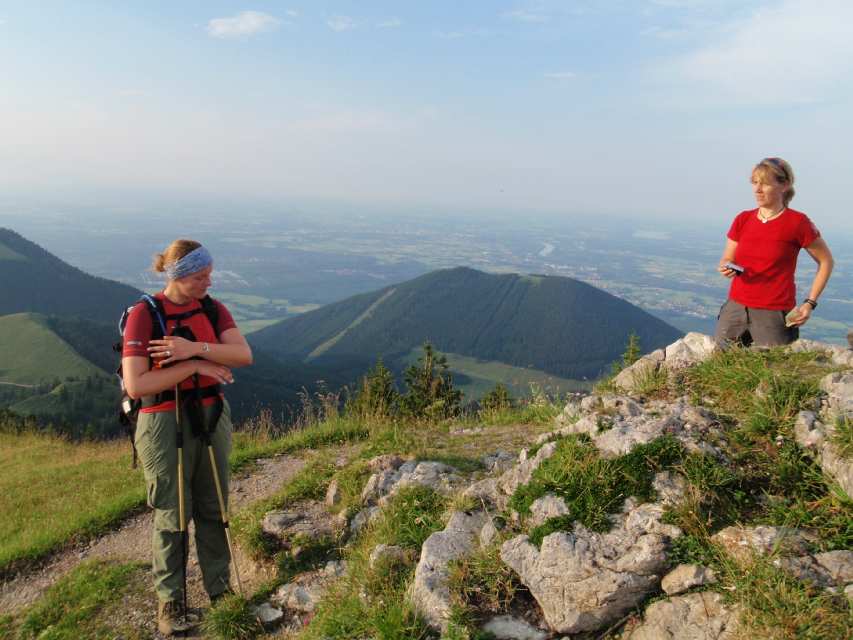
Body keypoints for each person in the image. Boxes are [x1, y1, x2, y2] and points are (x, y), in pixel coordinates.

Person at [122, 239, 252, 635]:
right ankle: (170, 603)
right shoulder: (145, 315)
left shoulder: (212, 309)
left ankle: (220, 592)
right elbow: (137, 383)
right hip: (162, 421)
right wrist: (196, 364)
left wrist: (192, 349)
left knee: (214, 507)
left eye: (209, 274)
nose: (208, 282)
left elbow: (243, 355)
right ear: (177, 275)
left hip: (212, 415)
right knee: (172, 513)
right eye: (200, 276)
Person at [715, 157, 834, 347]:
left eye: (765, 184)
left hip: (774, 314)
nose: (757, 189)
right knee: (721, 368)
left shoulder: (798, 222)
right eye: (754, 183)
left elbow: (826, 261)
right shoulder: (743, 219)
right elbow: (727, 258)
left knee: (774, 374)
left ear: (784, 185)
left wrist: (810, 303)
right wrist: (725, 266)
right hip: (735, 309)